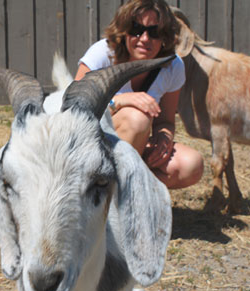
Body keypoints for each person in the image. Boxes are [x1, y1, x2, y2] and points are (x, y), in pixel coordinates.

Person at [75, 0, 203, 189]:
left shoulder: (173, 65)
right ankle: (104, 199)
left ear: (165, 37)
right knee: (137, 119)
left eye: (154, 32)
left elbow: (165, 121)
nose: (144, 38)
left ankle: (127, 194)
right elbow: (73, 106)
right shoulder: (103, 53)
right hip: (87, 149)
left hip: (133, 147)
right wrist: (120, 101)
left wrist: (163, 138)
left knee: (191, 164)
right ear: (123, 30)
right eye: (136, 29)